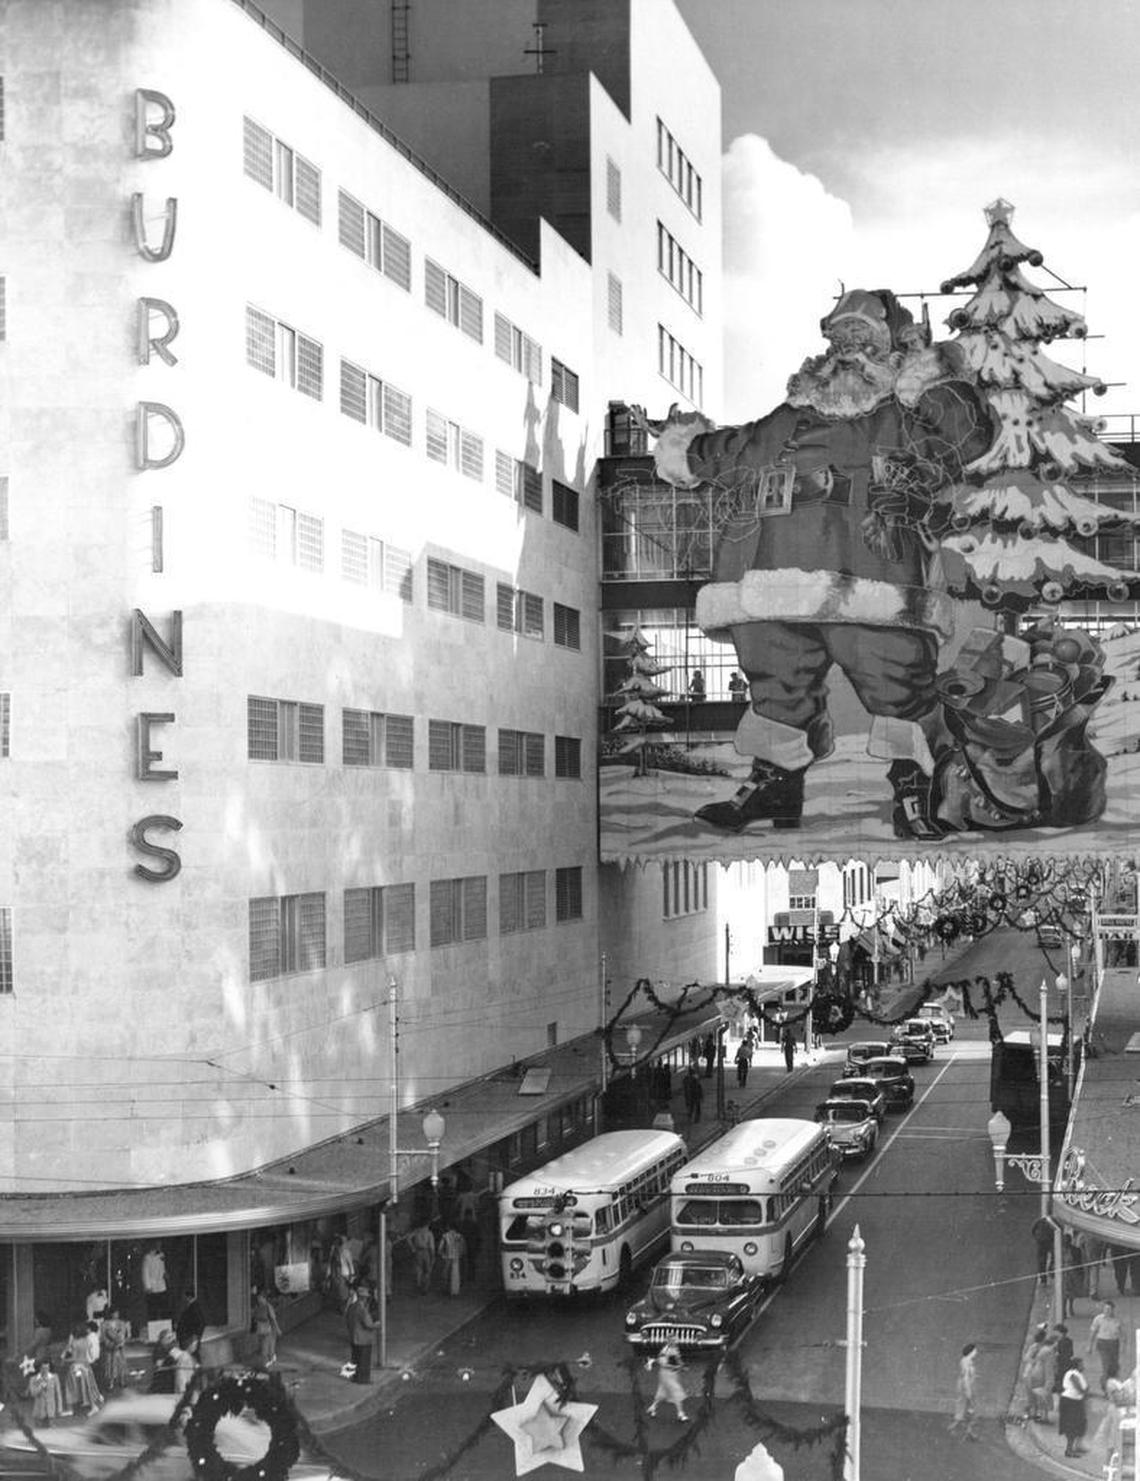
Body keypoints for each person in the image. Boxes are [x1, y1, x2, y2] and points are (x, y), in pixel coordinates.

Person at [638, 287, 992, 838]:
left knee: (893, 675)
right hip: (777, 568)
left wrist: (930, 375)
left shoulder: (908, 410)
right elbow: (737, 449)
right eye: (840, 336)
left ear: (890, 345)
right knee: (776, 676)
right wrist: (687, 446)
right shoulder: (793, 413)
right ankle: (776, 782)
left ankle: (915, 782)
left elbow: (966, 436)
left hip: (874, 567)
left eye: (863, 337)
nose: (848, 349)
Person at [62, 1322, 103, 1415]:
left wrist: (65, 1359)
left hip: (76, 1367)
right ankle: (93, 1406)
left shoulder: (75, 1343)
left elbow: (73, 1356)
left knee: (70, 1386)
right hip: (85, 1366)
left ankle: (70, 1409)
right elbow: (91, 1355)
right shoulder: (86, 1341)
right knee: (88, 1386)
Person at [646, 1339, 689, 1422]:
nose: (675, 1342)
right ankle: (681, 1414)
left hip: (673, 1374)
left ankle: (653, 1407)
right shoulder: (664, 1351)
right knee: (676, 1392)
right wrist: (677, 1367)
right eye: (673, 1341)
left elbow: (678, 1359)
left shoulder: (675, 1349)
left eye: (675, 1340)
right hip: (666, 1374)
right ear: (668, 1342)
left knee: (662, 1392)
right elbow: (663, 1364)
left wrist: (682, 1366)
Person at [1088, 1298, 1122, 1392]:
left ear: (1113, 1310)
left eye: (1109, 1309)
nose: (1107, 1311)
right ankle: (1105, 1388)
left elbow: (1123, 1333)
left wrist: (1124, 1346)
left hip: (1114, 1344)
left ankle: (1114, 1386)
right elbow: (1093, 1332)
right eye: (1105, 1309)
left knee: (1114, 1366)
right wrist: (1090, 1345)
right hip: (1103, 1343)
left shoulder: (1117, 1320)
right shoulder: (1098, 1319)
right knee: (1106, 1366)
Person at [1058, 1355, 1089, 1457]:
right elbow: (1077, 1385)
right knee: (1071, 1426)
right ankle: (1069, 1450)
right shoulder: (1072, 1373)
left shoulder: (1078, 1374)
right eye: (1081, 1364)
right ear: (1077, 1365)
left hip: (1076, 1401)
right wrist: (1084, 1391)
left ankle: (1077, 1446)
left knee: (1080, 1423)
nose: (1083, 1366)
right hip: (1070, 1402)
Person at [344, 1284, 376, 1385]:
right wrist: (376, 1325)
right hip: (363, 1339)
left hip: (354, 1337)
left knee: (355, 1358)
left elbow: (347, 1319)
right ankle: (363, 1379)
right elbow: (368, 1324)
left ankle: (355, 1377)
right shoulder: (362, 1310)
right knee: (364, 1360)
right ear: (364, 1298)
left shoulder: (351, 1307)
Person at [947, 1341, 979, 1440]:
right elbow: (965, 1377)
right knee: (969, 1407)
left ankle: (963, 1428)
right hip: (966, 1386)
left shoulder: (968, 1361)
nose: (976, 1352)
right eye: (975, 1350)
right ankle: (965, 1429)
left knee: (967, 1407)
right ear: (971, 1351)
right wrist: (968, 1390)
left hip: (967, 1385)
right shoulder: (966, 1362)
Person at [1021, 1325, 1052, 1422]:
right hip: (1039, 1374)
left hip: (1029, 1373)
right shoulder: (1045, 1350)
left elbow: (1025, 1358)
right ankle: (1043, 1416)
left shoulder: (1033, 1347)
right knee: (1042, 1394)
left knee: (1031, 1395)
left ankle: (1034, 1414)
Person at [101, 1307, 130, 1393]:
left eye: (117, 1313)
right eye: (114, 1313)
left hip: (119, 1348)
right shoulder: (104, 1324)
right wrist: (109, 1344)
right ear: (110, 1314)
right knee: (110, 1365)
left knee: (120, 1364)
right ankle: (111, 1383)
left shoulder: (122, 1323)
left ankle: (122, 1381)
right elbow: (103, 1336)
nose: (116, 1315)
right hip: (109, 1349)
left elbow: (124, 1334)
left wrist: (120, 1343)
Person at [251, 1285, 280, 1368]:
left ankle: (266, 1361)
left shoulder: (268, 1307)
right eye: (258, 1298)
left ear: (264, 1298)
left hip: (268, 1329)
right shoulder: (258, 1307)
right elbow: (254, 1316)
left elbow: (273, 1319)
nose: (259, 1299)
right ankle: (271, 1357)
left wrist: (277, 1329)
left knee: (265, 1346)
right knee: (263, 1345)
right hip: (260, 1329)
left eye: (260, 1298)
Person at [29, 1359, 64, 1426]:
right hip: (39, 1414)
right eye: (43, 1368)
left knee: (51, 1431)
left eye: (47, 1368)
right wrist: (41, 1386)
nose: (45, 1370)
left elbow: (58, 1394)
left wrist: (60, 1408)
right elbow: (33, 1394)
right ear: (39, 1368)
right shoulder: (33, 1379)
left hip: (51, 1413)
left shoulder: (54, 1377)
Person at [408, 1220, 437, 1295]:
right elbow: (431, 1246)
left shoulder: (417, 1231)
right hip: (426, 1251)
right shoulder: (429, 1233)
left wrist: (413, 1248)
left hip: (418, 1251)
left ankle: (418, 1285)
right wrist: (433, 1256)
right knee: (427, 1270)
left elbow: (408, 1238)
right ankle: (425, 1288)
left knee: (419, 1269)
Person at [438, 1222, 466, 1296]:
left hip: (447, 1257)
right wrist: (461, 1254)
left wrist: (442, 1255)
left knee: (446, 1273)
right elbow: (463, 1247)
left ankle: (446, 1289)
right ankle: (454, 1290)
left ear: (449, 1227)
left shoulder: (445, 1236)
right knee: (455, 1274)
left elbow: (440, 1248)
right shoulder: (459, 1236)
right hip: (456, 1257)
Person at [175, 1289, 206, 1353]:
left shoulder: (195, 1307)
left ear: (188, 1297)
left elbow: (201, 1322)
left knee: (191, 1355)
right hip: (187, 1336)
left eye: (185, 1297)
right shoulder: (191, 1306)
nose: (184, 1299)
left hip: (189, 1337)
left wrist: (196, 1335)